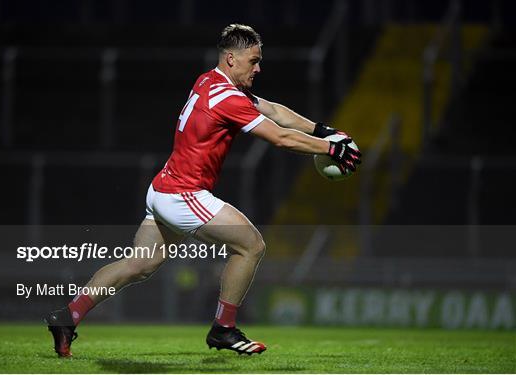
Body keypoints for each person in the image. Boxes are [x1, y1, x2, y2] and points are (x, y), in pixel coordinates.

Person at [45, 24, 361, 358]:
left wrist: (322, 131)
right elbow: (279, 137)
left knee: (138, 264)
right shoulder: (228, 98)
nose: (258, 68)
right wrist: (330, 149)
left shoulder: (209, 81)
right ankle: (223, 329)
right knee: (251, 246)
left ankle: (67, 317)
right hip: (184, 193)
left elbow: (272, 109)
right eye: (253, 61)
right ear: (230, 59)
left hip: (164, 188)